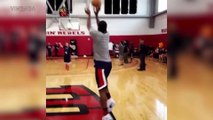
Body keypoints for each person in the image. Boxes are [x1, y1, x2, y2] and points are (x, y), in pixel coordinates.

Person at [85, 7, 116, 120]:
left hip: (101, 66)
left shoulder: (96, 35)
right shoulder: (106, 34)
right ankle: (110, 100)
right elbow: (100, 25)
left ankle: (106, 115)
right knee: (105, 85)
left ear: (98, 28)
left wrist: (89, 15)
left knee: (101, 90)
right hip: (108, 64)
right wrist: (96, 15)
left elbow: (88, 27)